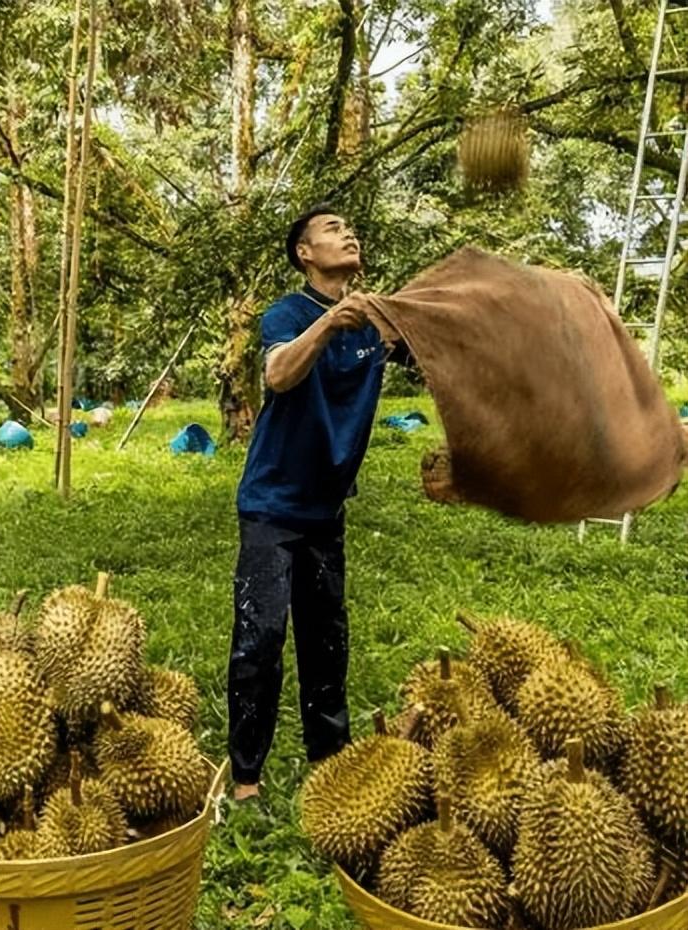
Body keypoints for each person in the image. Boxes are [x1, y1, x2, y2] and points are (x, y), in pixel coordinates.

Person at [227, 204, 412, 801]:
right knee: (260, 638)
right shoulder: (288, 313)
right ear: (305, 253)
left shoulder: (376, 323)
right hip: (272, 506)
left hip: (326, 510)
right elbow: (279, 374)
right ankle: (246, 779)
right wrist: (331, 324)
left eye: (348, 227)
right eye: (333, 229)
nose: (348, 232)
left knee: (326, 640)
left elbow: (444, 349)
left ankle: (330, 766)